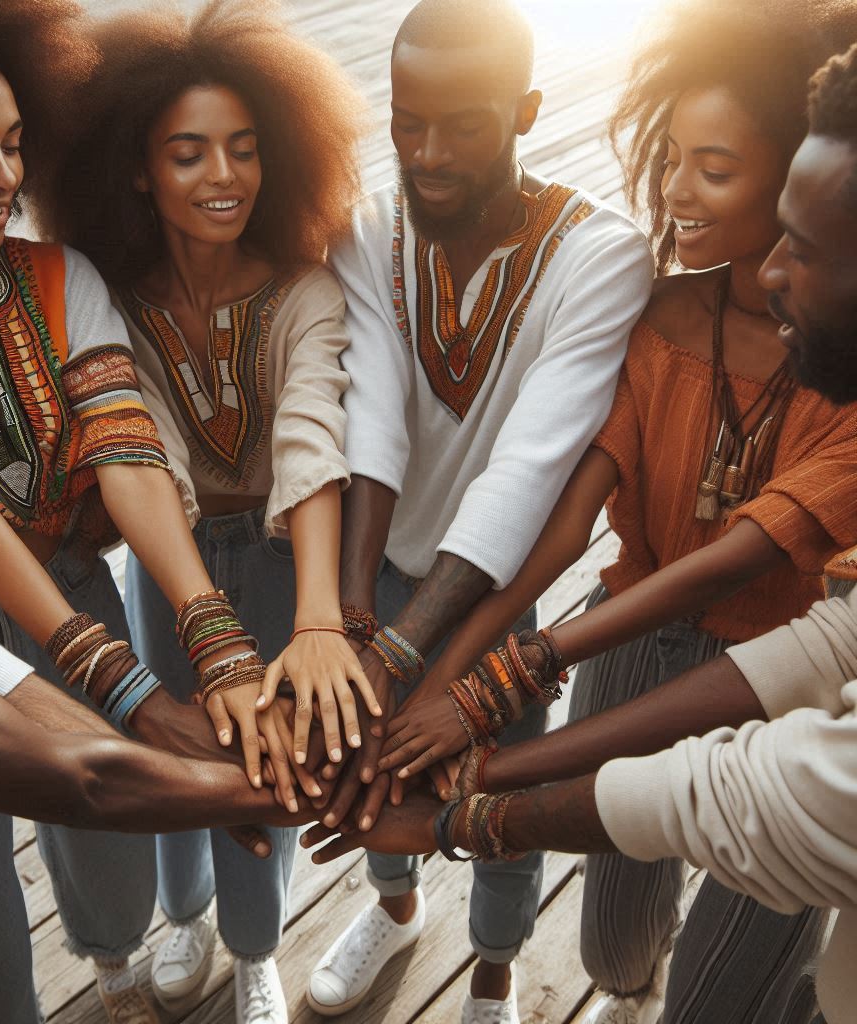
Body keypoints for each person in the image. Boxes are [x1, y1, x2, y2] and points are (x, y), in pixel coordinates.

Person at [305, 48, 857, 1024]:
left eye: (714, 168)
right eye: (671, 157)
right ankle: (628, 987)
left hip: (777, 671)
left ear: (788, 184)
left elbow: (741, 564)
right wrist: (459, 671)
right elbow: (568, 513)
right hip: (628, 635)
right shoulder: (663, 312)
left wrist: (492, 692)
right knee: (611, 942)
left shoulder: (833, 372)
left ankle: (567, 980)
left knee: (723, 995)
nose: (673, 191)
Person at [0, 1, 301, 1021]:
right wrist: (139, 700)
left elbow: (125, 452)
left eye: (13, 144)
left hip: (75, 592)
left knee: (115, 864)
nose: (3, 174)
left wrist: (215, 642)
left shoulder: (59, 277)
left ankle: (115, 977)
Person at [305, 0, 654, 1019]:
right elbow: (371, 416)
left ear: (528, 112)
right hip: (382, 574)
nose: (427, 153)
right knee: (369, 764)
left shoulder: (602, 255)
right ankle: (395, 909)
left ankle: (493, 975)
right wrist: (360, 621)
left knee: (496, 790)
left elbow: (526, 468)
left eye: (462, 125)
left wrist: (404, 649)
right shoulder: (368, 226)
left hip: (498, 587)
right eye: (407, 121)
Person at [44, 4, 369, 1019]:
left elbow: (312, 439)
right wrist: (201, 614)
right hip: (166, 554)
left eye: (244, 147)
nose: (223, 176)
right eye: (188, 154)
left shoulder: (306, 291)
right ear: (140, 170)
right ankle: (185, 915)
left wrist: (317, 616)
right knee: (175, 738)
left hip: (282, 551)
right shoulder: (111, 299)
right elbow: (146, 453)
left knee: (271, 755)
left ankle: (257, 949)